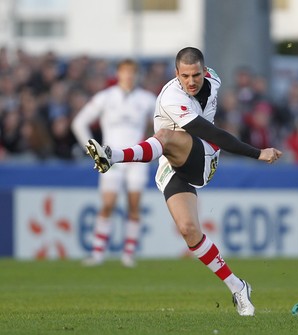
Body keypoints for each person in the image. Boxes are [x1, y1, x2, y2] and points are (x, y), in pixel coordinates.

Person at [85, 47, 282, 316]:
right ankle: (237, 286)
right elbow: (206, 129)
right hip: (173, 164)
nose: (191, 81)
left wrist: (258, 153)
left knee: (165, 136)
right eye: (185, 76)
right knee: (189, 230)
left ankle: (114, 155)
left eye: (196, 75)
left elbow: (214, 134)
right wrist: (258, 152)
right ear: (176, 74)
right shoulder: (171, 98)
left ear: (205, 71)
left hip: (204, 156)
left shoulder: (214, 80)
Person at [72, 59, 156, 267]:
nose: (128, 77)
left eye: (132, 73)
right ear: (118, 74)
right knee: (108, 204)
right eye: (125, 72)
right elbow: (79, 123)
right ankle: (98, 253)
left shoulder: (147, 99)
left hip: (136, 159)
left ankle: (128, 254)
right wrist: (93, 151)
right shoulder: (105, 97)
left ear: (137, 76)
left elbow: (163, 125)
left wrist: (154, 148)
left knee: (134, 205)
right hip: (110, 159)